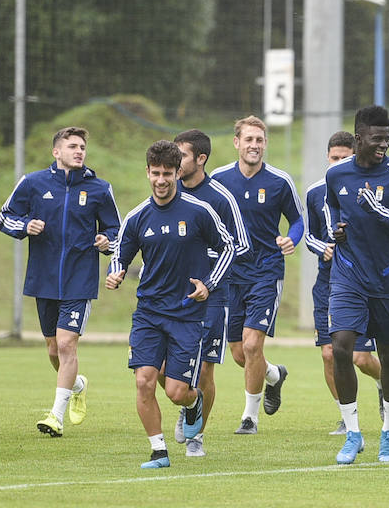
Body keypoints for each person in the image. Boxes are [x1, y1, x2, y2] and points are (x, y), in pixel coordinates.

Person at [106, 140, 235, 469]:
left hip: (187, 316)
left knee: (177, 392)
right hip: (148, 313)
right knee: (144, 380)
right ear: (147, 173)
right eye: (155, 173)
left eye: (167, 173)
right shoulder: (137, 217)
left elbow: (228, 248)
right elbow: (120, 253)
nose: (161, 180)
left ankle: (193, 403)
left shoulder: (198, 212)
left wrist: (209, 284)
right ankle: (158, 451)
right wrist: (115, 272)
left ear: (178, 173)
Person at [0, 127, 120, 439]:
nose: (79, 151)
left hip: (80, 279)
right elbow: (4, 217)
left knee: (67, 344)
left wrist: (107, 241)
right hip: (44, 278)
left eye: (82, 147)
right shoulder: (33, 183)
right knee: (53, 350)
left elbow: (116, 232)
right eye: (72, 146)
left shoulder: (100, 189)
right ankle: (78, 385)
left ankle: (56, 415)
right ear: (57, 152)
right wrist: (26, 225)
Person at [325, 105, 389, 464]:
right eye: (377, 137)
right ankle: (353, 433)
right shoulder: (337, 176)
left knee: (388, 355)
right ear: (358, 138)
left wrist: (378, 210)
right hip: (349, 273)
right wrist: (334, 231)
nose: (384, 144)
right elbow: (332, 211)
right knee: (341, 347)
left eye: (387, 137)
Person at [212, 115, 303, 434]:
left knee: (252, 346)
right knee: (239, 352)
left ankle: (249, 417)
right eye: (248, 139)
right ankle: (275, 375)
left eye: (259, 140)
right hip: (229, 275)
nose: (254, 145)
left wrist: (292, 238)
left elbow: (297, 220)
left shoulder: (280, 181)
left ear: (266, 144)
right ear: (236, 142)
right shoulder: (219, 179)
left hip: (266, 272)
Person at [170, 129, 249, 457]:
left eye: (182, 156)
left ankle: (196, 437)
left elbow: (241, 244)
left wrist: (209, 272)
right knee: (162, 367)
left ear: (200, 159)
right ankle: (190, 403)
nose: (175, 163)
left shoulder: (220, 197)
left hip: (213, 294)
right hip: (174, 291)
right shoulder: (168, 191)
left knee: (204, 368)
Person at [303, 131, 381, 436]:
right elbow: (309, 234)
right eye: (334, 158)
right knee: (329, 353)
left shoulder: (367, 189)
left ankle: (382, 381)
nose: (338, 163)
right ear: (328, 158)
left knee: (361, 358)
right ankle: (346, 418)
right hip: (327, 283)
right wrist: (322, 247)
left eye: (344, 158)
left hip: (359, 282)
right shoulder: (314, 193)